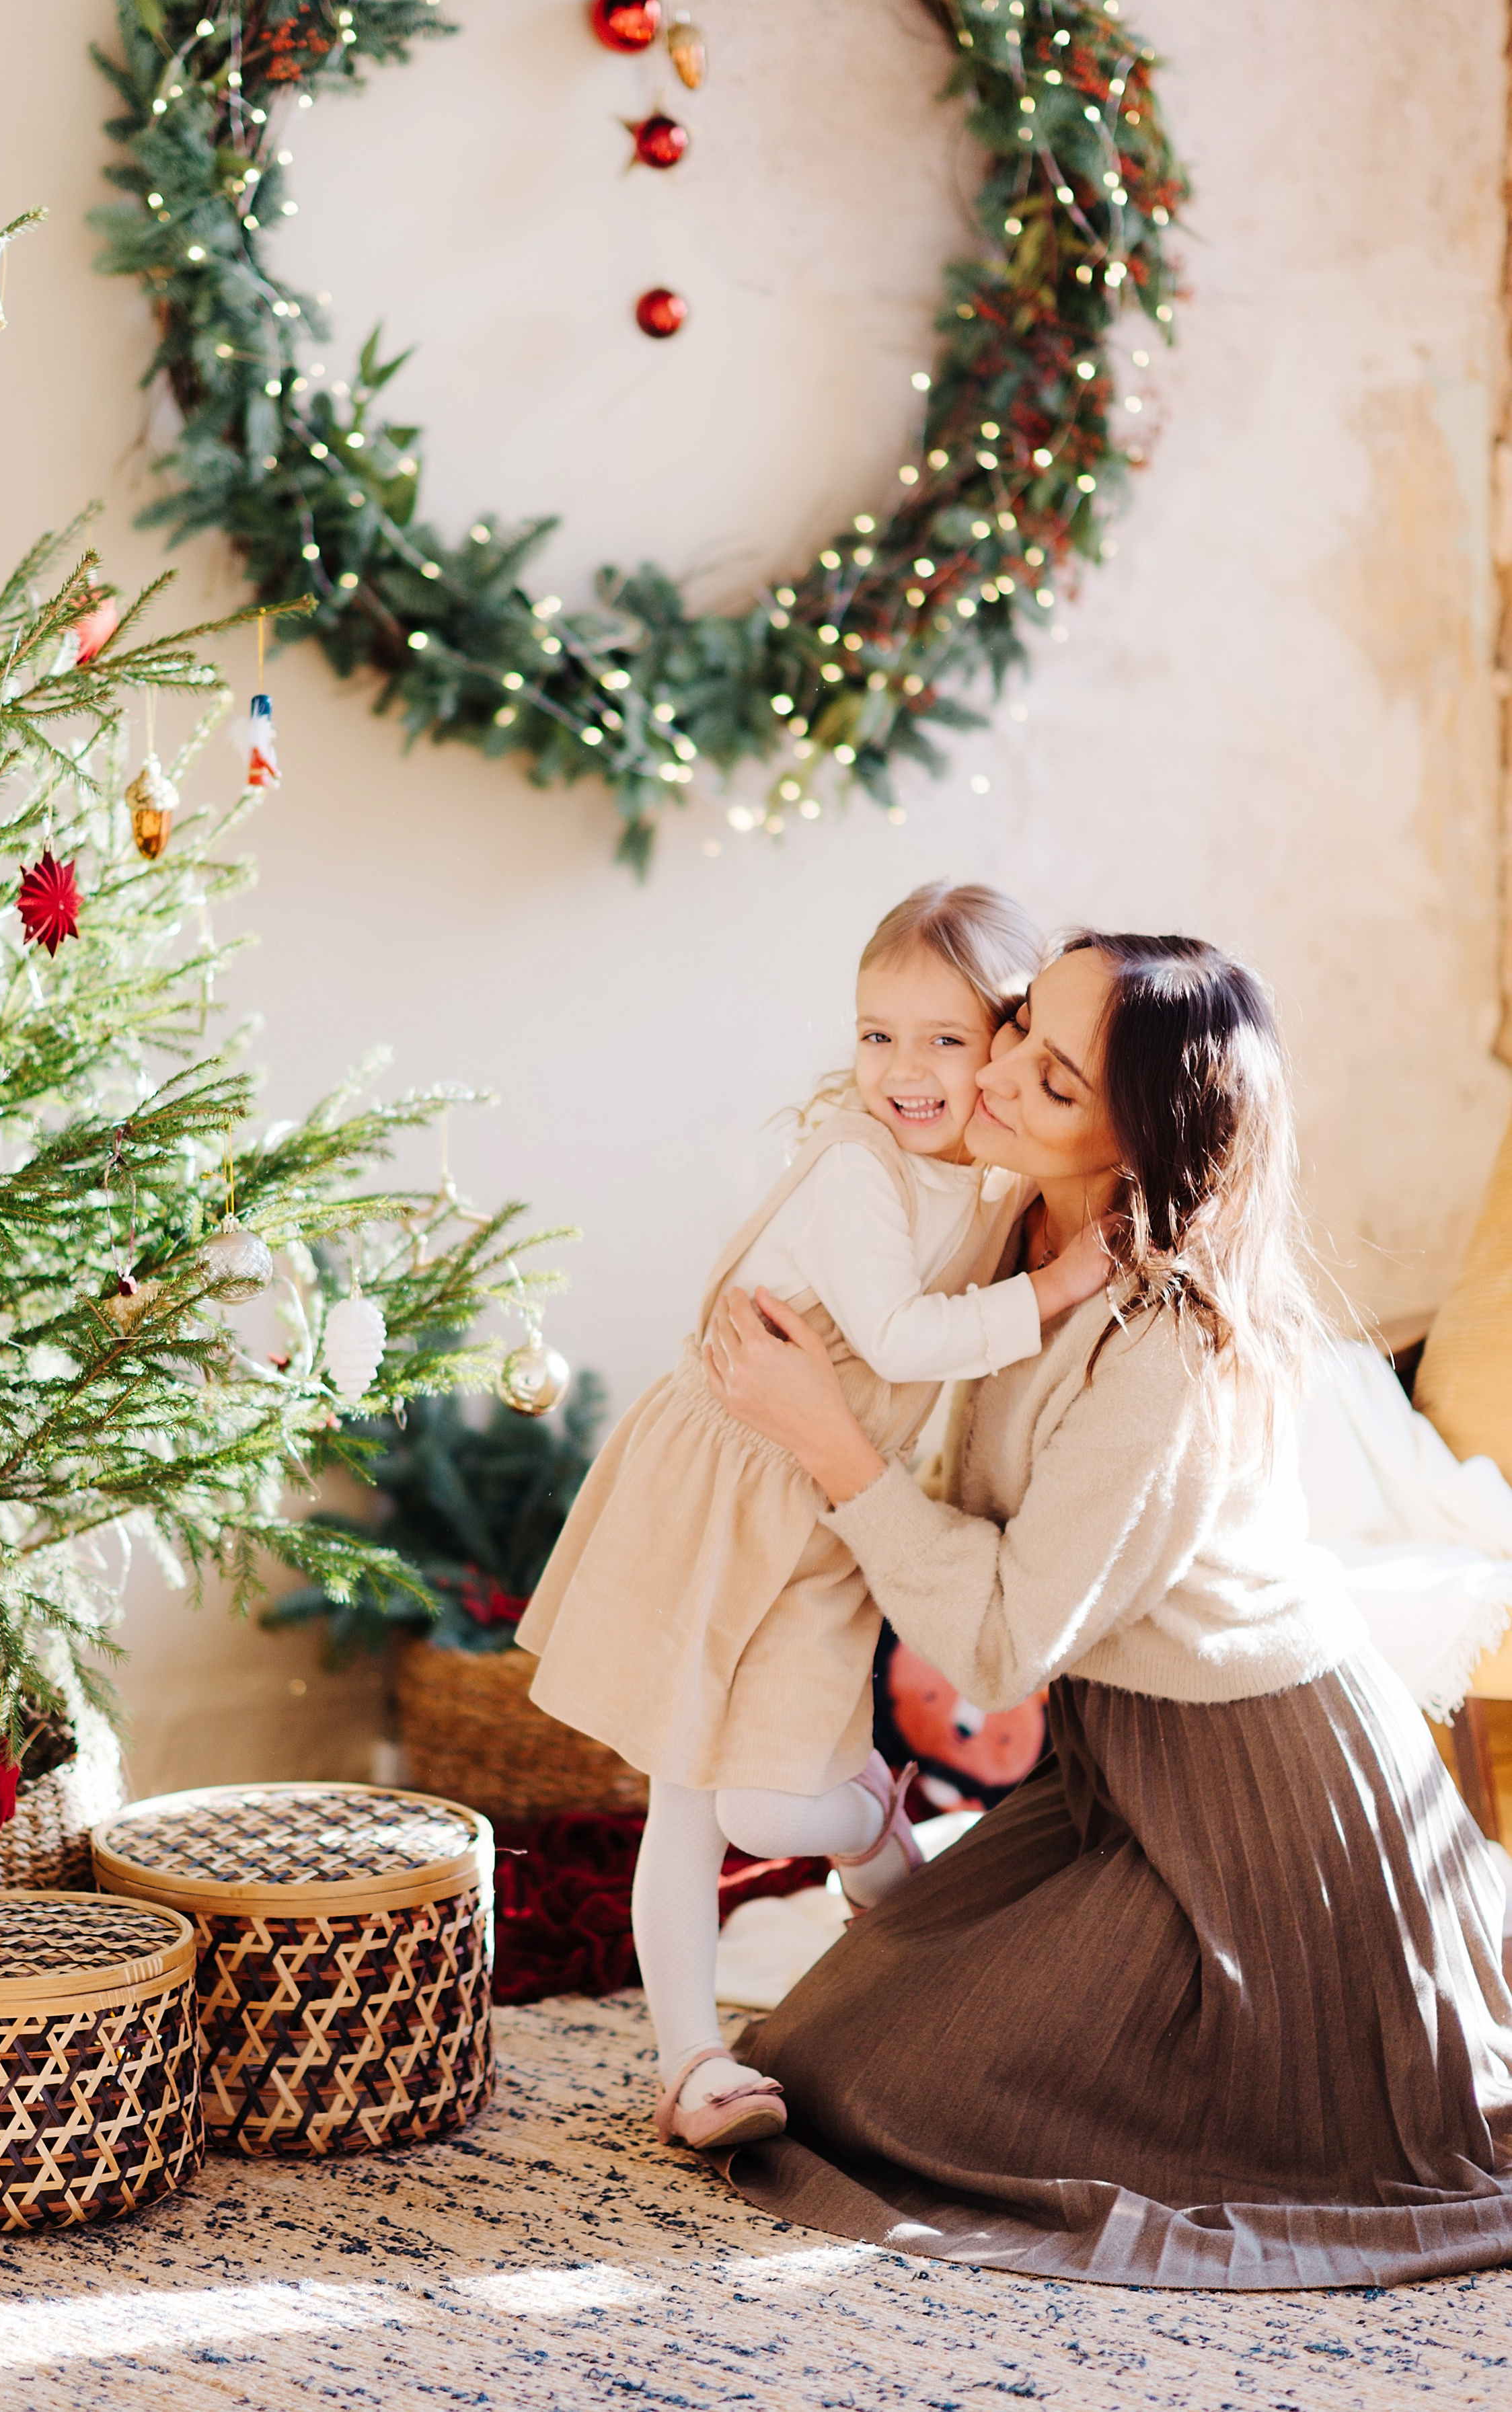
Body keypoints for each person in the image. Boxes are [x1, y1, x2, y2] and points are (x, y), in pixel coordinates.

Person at [700, 933, 1512, 2290]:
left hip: (1262, 1800)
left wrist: (825, 1440)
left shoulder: (1169, 1346)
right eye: (1017, 1027)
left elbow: (1004, 1646)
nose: (999, 1075)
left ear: (1134, 1144)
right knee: (807, 2052)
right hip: (1114, 1766)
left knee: (885, 2094)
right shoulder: (1019, 1225)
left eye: (1053, 1078)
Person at [518, 882, 1109, 2153]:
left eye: (944, 1040)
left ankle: (897, 1897)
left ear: (1006, 1041)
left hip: (829, 1513)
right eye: (874, 1034)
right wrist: (1057, 1287)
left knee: (773, 1808)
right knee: (688, 1794)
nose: (903, 1071)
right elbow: (898, 1333)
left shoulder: (991, 1178)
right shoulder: (856, 1166)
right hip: (724, 1488)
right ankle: (691, 2063)